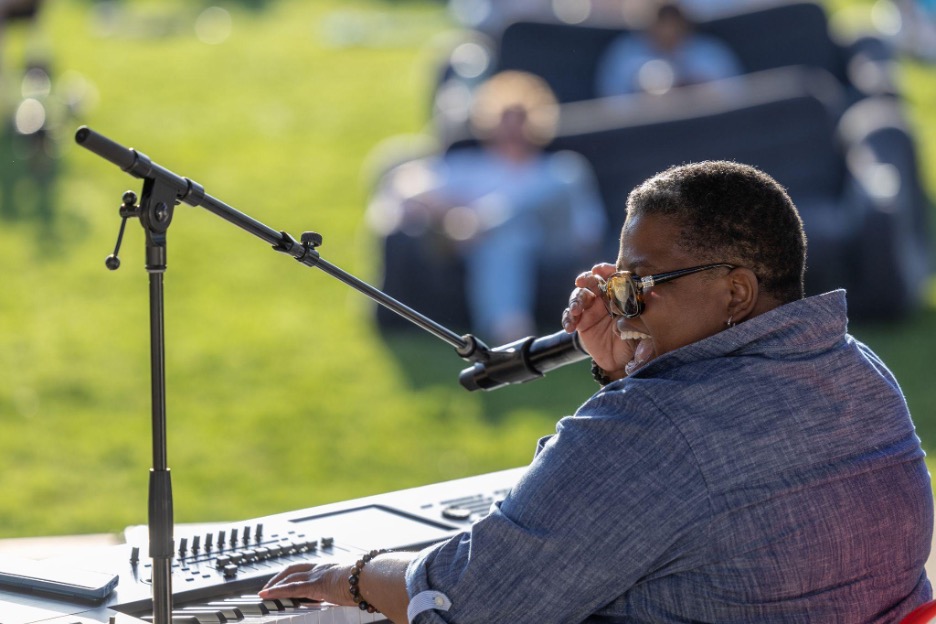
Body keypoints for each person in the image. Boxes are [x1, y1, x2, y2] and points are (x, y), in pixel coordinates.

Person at [261, 161, 933, 623]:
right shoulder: (858, 370)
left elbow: (471, 602)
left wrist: (349, 577)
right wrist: (626, 376)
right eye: (617, 287)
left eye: (639, 286)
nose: (622, 310)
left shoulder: (653, 429)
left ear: (735, 292)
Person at [370, 70, 606, 343]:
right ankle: (511, 333)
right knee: (512, 235)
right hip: (501, 246)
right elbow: (405, 183)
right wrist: (450, 208)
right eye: (504, 117)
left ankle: (485, 221)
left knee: (561, 182)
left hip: (557, 245)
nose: (512, 128)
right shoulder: (472, 167)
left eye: (520, 117)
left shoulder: (556, 168)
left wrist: (477, 220)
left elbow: (587, 232)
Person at [595, 2, 743, 96]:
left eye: (673, 19)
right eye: (662, 19)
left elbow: (733, 96)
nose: (668, 29)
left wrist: (696, 91)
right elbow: (613, 105)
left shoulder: (710, 52)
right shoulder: (624, 54)